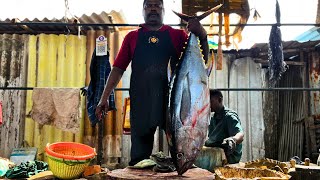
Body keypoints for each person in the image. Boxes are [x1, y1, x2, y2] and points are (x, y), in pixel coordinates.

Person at [95, 0, 209, 166]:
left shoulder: (177, 35)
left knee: (181, 155)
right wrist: (103, 98)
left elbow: (201, 62)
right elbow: (118, 69)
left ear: (163, 10)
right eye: (149, 5)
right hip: (142, 103)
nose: (153, 8)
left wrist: (202, 34)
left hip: (173, 104)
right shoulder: (132, 37)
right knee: (139, 160)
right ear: (143, 10)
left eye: (158, 5)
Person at [204, 89, 244, 164]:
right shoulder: (213, 118)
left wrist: (233, 140)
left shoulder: (229, 116)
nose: (208, 105)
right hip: (215, 155)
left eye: (210, 102)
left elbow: (240, 135)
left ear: (219, 100)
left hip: (228, 158)